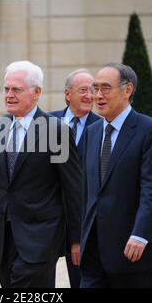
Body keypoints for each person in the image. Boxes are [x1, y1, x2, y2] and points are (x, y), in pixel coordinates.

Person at [0, 61, 82, 288]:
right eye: (6, 89)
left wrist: (76, 240)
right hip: (6, 239)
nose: (9, 95)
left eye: (16, 89)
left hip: (41, 237)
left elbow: (73, 189)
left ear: (36, 93)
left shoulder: (57, 130)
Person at [80, 63, 152, 288]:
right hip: (93, 253)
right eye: (95, 88)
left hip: (134, 253)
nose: (97, 95)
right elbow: (87, 191)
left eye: (105, 88)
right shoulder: (92, 132)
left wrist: (140, 235)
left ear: (127, 90)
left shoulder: (149, 130)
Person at [49, 69, 100, 288]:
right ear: (67, 94)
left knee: (81, 279)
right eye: (83, 90)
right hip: (49, 216)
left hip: (83, 216)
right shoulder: (47, 123)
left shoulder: (101, 127)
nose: (90, 95)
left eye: (93, 90)